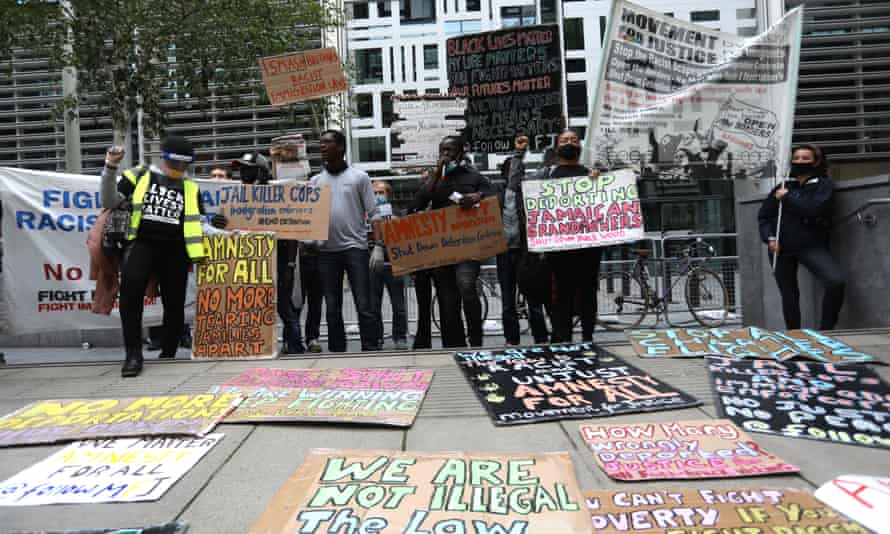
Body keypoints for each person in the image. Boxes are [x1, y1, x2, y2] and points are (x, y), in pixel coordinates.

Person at [101, 135, 205, 377]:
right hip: (141, 244)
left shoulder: (191, 188)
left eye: (184, 165)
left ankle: (168, 353)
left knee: (175, 305)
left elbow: (199, 222)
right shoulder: (139, 175)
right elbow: (108, 200)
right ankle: (133, 355)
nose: (179, 169)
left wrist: (217, 224)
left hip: (176, 250)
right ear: (164, 159)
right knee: (130, 297)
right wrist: (110, 167)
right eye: (175, 164)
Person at [211, 151, 305, 354]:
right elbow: (223, 229)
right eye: (241, 169)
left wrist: (289, 265)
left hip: (276, 259)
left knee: (283, 305)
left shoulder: (277, 196)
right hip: (247, 260)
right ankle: (252, 346)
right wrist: (218, 223)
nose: (242, 173)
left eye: (248, 168)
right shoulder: (233, 196)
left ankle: (296, 346)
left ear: (261, 172)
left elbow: (291, 230)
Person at [407, 135, 491, 347]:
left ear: (461, 153)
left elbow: (494, 196)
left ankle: (476, 337)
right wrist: (436, 173)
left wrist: (477, 197)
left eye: (450, 150)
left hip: (468, 246)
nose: (446, 154)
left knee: (466, 285)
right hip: (442, 249)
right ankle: (455, 343)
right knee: (447, 298)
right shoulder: (435, 180)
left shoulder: (474, 176)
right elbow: (417, 204)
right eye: (442, 150)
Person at [522, 129, 603, 343]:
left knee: (588, 293)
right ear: (558, 147)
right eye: (565, 139)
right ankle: (564, 337)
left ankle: (587, 337)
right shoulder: (545, 175)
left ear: (579, 146)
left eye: (574, 139)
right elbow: (522, 191)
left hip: (588, 249)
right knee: (561, 296)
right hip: (558, 251)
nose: (570, 142)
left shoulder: (591, 174)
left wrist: (599, 181)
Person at [758, 144, 845, 330]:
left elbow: (814, 209)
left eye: (805, 158)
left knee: (835, 281)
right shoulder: (782, 186)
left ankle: (827, 329)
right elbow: (764, 216)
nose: (800, 162)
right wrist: (770, 238)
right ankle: (794, 333)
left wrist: (788, 198)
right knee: (789, 294)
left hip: (810, 246)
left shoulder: (824, 185)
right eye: (796, 158)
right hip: (781, 248)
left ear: (816, 161)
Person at [311, 130, 381, 352]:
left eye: (327, 143)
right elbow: (307, 217)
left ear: (340, 147)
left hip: (355, 249)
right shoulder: (314, 181)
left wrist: (379, 246)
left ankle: (370, 348)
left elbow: (374, 214)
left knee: (364, 304)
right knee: (332, 306)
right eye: (320, 143)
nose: (322, 147)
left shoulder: (359, 177)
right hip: (326, 252)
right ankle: (337, 351)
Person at [497, 134, 549, 345]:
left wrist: (519, 154)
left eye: (517, 171)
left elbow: (548, 172)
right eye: (511, 171)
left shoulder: (529, 194)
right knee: (508, 301)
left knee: (533, 299)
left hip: (527, 253)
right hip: (505, 252)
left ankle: (540, 338)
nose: (515, 174)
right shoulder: (496, 195)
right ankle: (512, 340)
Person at [369, 180, 409, 350]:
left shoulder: (397, 212)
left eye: (381, 192)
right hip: (373, 262)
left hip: (394, 262)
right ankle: (377, 337)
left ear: (389, 194)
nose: (378, 196)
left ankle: (400, 337)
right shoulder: (366, 212)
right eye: (375, 192)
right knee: (373, 305)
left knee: (398, 304)